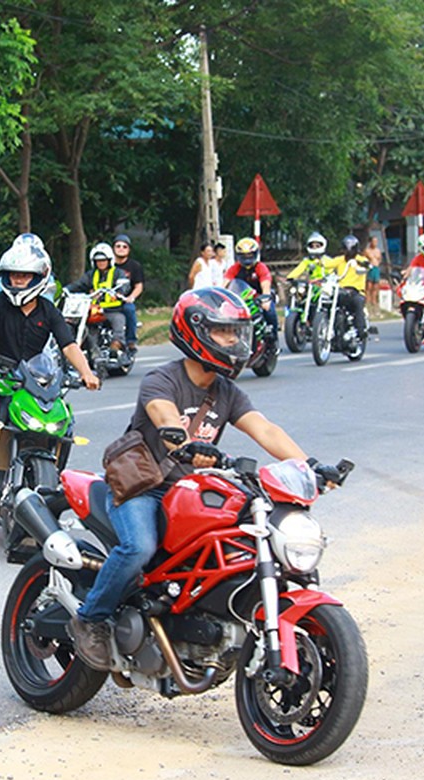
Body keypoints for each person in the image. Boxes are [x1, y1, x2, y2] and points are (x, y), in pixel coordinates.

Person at [68, 286, 338, 670]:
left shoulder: (226, 391)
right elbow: (163, 414)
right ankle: (91, 618)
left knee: (245, 532)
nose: (233, 341)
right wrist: (182, 439)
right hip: (143, 489)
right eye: (223, 331)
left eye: (235, 332)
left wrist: (309, 465)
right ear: (195, 332)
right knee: (139, 548)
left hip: (190, 491)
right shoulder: (162, 380)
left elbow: (265, 430)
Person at [0, 241, 100, 495]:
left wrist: (87, 373)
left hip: (32, 378)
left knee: (65, 421)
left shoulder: (48, 310)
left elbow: (68, 345)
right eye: (14, 275)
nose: (18, 280)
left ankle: (54, 475)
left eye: (24, 275)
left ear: (37, 277)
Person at [65, 242, 129, 355]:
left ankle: (116, 345)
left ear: (109, 260)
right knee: (85, 325)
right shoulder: (91, 275)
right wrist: (66, 290)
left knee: (118, 320)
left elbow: (124, 285)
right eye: (98, 261)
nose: (101, 263)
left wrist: (120, 291)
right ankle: (91, 349)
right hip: (95, 310)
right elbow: (80, 284)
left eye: (103, 260)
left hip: (113, 310)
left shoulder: (117, 273)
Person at [224, 237, 278, 343]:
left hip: (259, 298)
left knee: (270, 311)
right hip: (240, 300)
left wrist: (265, 299)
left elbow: (265, 284)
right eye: (243, 255)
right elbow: (224, 283)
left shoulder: (260, 267)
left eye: (249, 255)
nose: (247, 258)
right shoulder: (235, 268)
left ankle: (273, 335)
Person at [331, 235, 369, 340]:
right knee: (328, 302)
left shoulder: (360, 260)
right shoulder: (339, 260)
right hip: (341, 291)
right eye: (346, 249)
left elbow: (367, 264)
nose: (348, 252)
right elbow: (327, 265)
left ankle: (361, 331)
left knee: (358, 303)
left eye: (351, 249)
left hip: (357, 291)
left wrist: (365, 265)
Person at [111, 234, 144, 353]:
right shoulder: (106, 264)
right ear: (113, 249)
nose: (121, 248)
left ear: (128, 250)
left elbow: (139, 286)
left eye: (124, 246)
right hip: (106, 301)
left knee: (129, 310)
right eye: (118, 246)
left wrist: (131, 297)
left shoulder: (134, 266)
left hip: (124, 301)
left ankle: (131, 341)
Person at [362, 234, 384, 306]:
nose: (375, 243)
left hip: (376, 268)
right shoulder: (367, 250)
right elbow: (363, 259)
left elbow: (380, 259)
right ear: (370, 242)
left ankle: (373, 301)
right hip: (370, 269)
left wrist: (377, 263)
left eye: (376, 241)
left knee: (376, 286)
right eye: (374, 241)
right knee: (369, 286)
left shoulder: (378, 251)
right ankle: (368, 301)